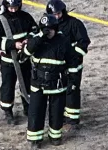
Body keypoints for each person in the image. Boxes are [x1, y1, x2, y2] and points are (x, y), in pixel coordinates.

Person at [24, 13, 72, 147]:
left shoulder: (63, 41)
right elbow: (26, 53)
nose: (48, 32)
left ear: (55, 29)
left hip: (57, 83)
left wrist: (72, 81)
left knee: (56, 112)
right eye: (45, 29)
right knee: (36, 112)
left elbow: (72, 61)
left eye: (50, 29)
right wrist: (40, 37)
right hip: (38, 83)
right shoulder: (36, 40)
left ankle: (55, 136)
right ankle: (35, 139)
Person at [0, 0, 36, 125]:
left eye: (16, 7)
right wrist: (13, 45)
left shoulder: (26, 17)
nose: (14, 10)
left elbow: (34, 31)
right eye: (11, 8)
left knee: (27, 85)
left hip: (24, 59)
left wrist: (28, 40)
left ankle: (28, 108)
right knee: (8, 87)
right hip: (8, 62)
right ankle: (8, 111)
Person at [46, 0, 90, 125]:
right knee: (60, 89)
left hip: (73, 66)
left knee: (72, 89)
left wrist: (73, 57)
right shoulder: (49, 26)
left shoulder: (74, 24)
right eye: (54, 14)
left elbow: (84, 43)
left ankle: (73, 118)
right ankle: (62, 114)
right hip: (58, 65)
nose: (57, 17)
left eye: (59, 13)